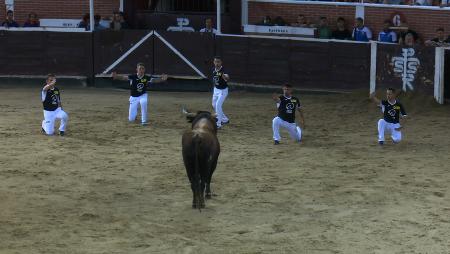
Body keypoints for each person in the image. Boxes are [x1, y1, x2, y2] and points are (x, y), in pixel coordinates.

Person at [211, 56, 230, 129]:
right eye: (215, 61)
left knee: (218, 105)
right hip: (216, 89)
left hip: (223, 90)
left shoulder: (224, 70)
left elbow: (227, 78)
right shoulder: (213, 69)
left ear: (221, 62)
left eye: (218, 62)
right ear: (214, 62)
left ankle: (218, 124)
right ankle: (225, 119)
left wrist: (223, 76)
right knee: (214, 105)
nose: (216, 63)